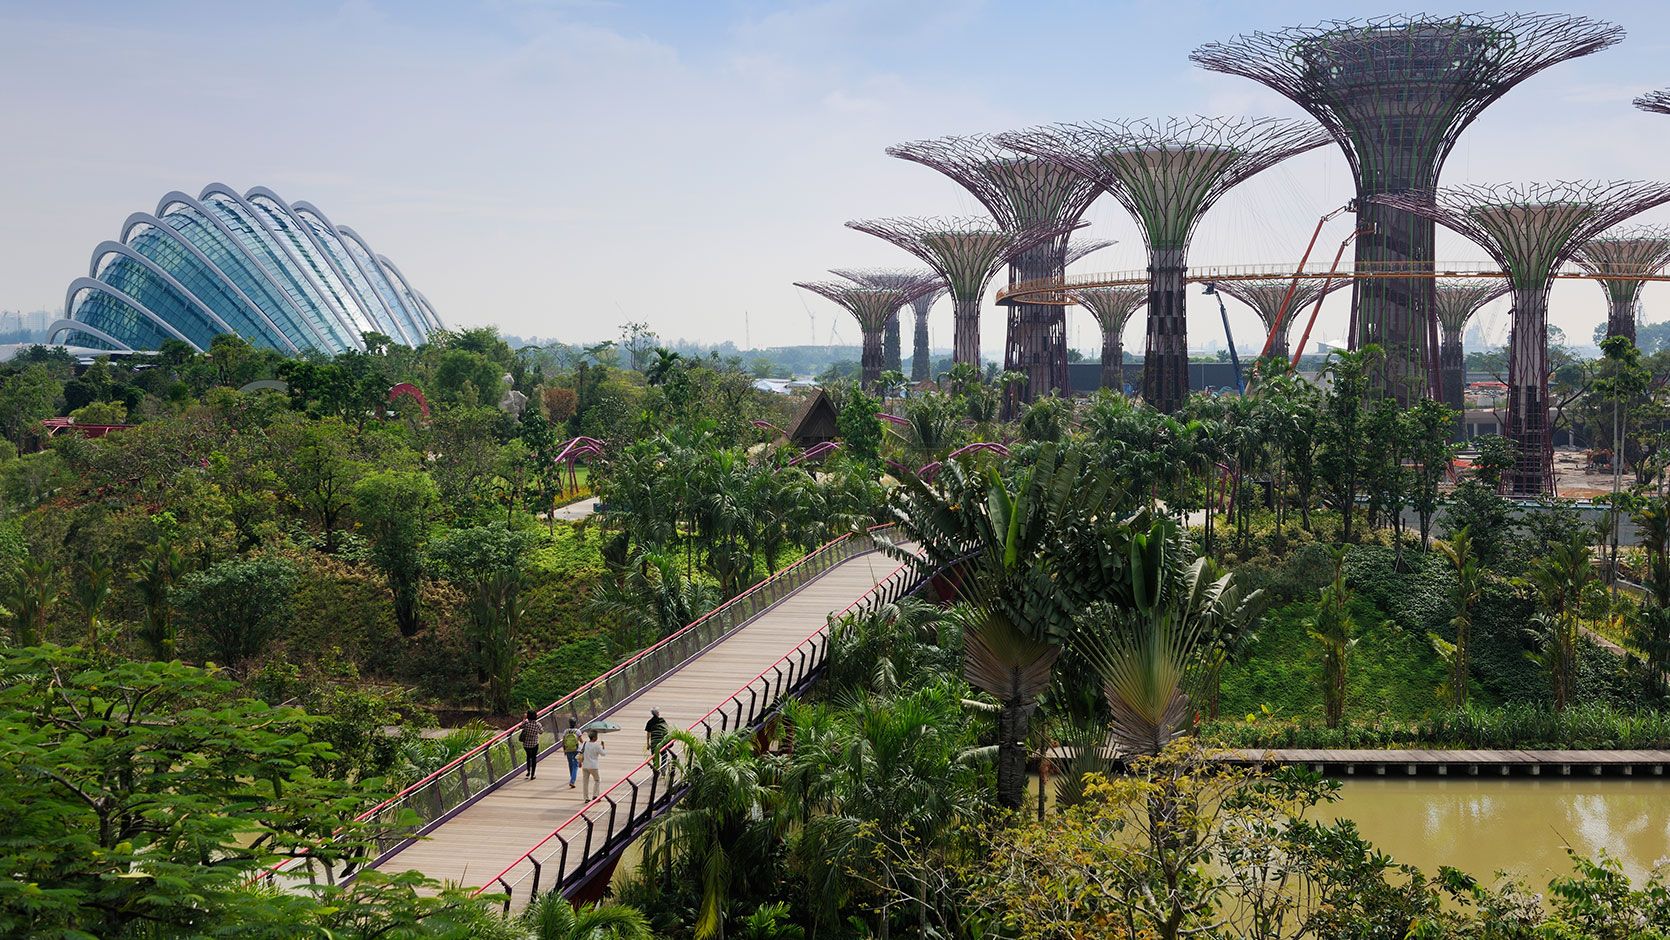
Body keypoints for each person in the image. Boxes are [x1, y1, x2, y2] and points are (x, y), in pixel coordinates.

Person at [580, 729, 605, 800]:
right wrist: (603, 747)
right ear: (594, 738)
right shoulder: (597, 746)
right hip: (593, 766)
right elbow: (603, 754)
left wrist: (579, 762)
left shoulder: (584, 744)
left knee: (585, 782)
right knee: (597, 780)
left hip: (585, 766)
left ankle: (586, 798)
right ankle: (595, 795)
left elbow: (580, 752)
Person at [519, 710, 541, 780]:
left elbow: (520, 727)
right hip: (534, 743)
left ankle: (528, 771)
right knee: (534, 758)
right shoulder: (538, 724)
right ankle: (533, 774)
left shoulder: (526, 723)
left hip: (526, 744)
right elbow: (541, 732)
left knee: (528, 757)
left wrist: (524, 719)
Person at [560, 717, 582, 789]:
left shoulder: (566, 731)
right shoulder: (577, 731)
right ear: (575, 723)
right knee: (575, 765)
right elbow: (581, 741)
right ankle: (572, 781)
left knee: (570, 764)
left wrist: (564, 750)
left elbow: (563, 742)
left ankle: (571, 777)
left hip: (568, 749)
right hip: (576, 749)